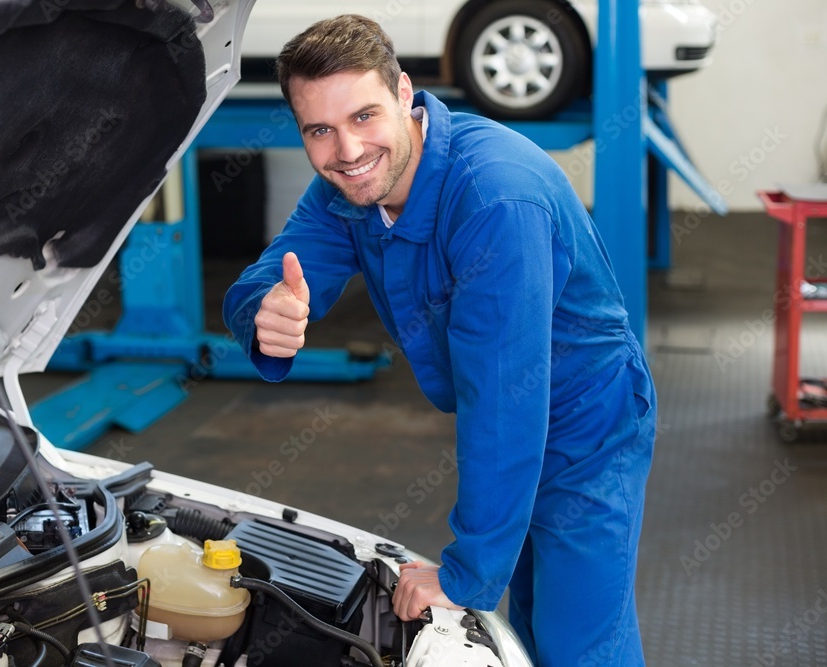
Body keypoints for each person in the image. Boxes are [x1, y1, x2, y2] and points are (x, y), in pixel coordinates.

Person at [222, 14, 656, 666]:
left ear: (404, 93)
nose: (346, 149)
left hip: (587, 420)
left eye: (364, 116)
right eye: (320, 130)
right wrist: (263, 311)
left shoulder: (493, 200)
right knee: (534, 626)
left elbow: (505, 396)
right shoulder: (349, 191)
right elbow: (274, 270)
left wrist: (466, 574)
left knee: (578, 642)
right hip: (517, 405)